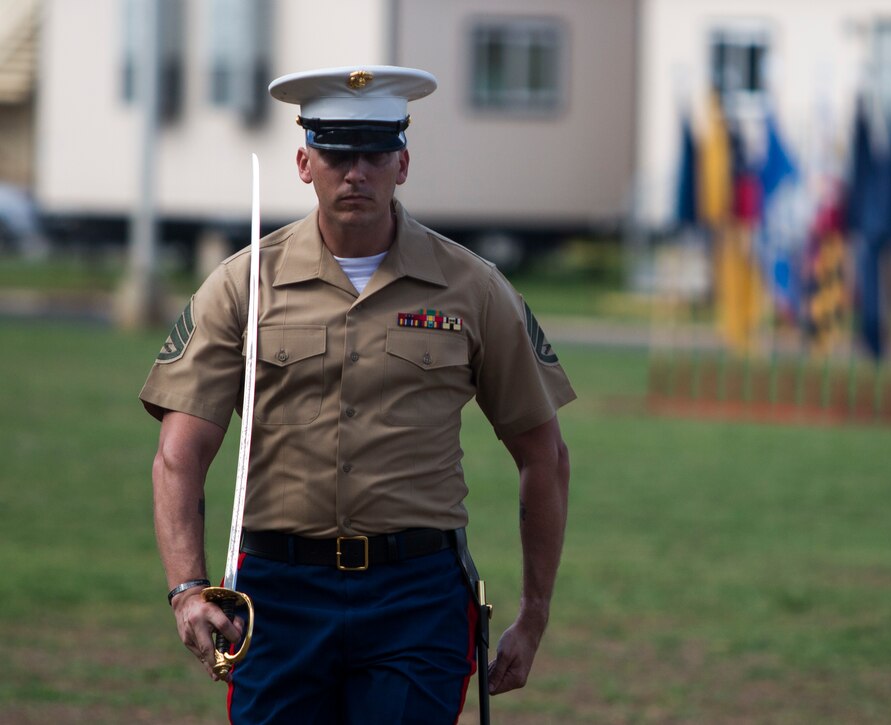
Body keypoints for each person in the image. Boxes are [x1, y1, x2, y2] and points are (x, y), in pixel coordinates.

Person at [141, 65, 575, 723]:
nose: (356, 171)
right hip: (280, 597)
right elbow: (179, 452)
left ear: (403, 162)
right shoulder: (242, 285)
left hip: (416, 599)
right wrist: (187, 587)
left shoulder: (474, 288)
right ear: (303, 160)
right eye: (338, 151)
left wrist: (535, 613)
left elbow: (543, 454)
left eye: (374, 152)